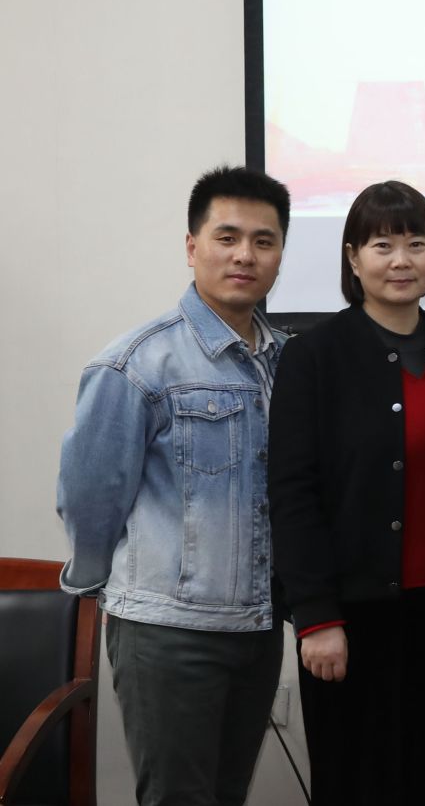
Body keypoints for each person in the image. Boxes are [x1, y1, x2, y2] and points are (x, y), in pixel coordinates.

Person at [57, 166, 292, 806]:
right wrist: (107, 586)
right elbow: (89, 497)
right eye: (227, 237)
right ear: (192, 247)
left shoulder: (287, 361)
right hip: (168, 632)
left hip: (258, 628)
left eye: (264, 241)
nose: (245, 255)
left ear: (280, 255)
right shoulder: (136, 363)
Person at [268, 180, 425, 804]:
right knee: (355, 781)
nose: (401, 260)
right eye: (382, 245)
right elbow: (292, 492)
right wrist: (316, 616)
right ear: (353, 257)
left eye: (417, 243)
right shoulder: (313, 356)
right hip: (350, 615)